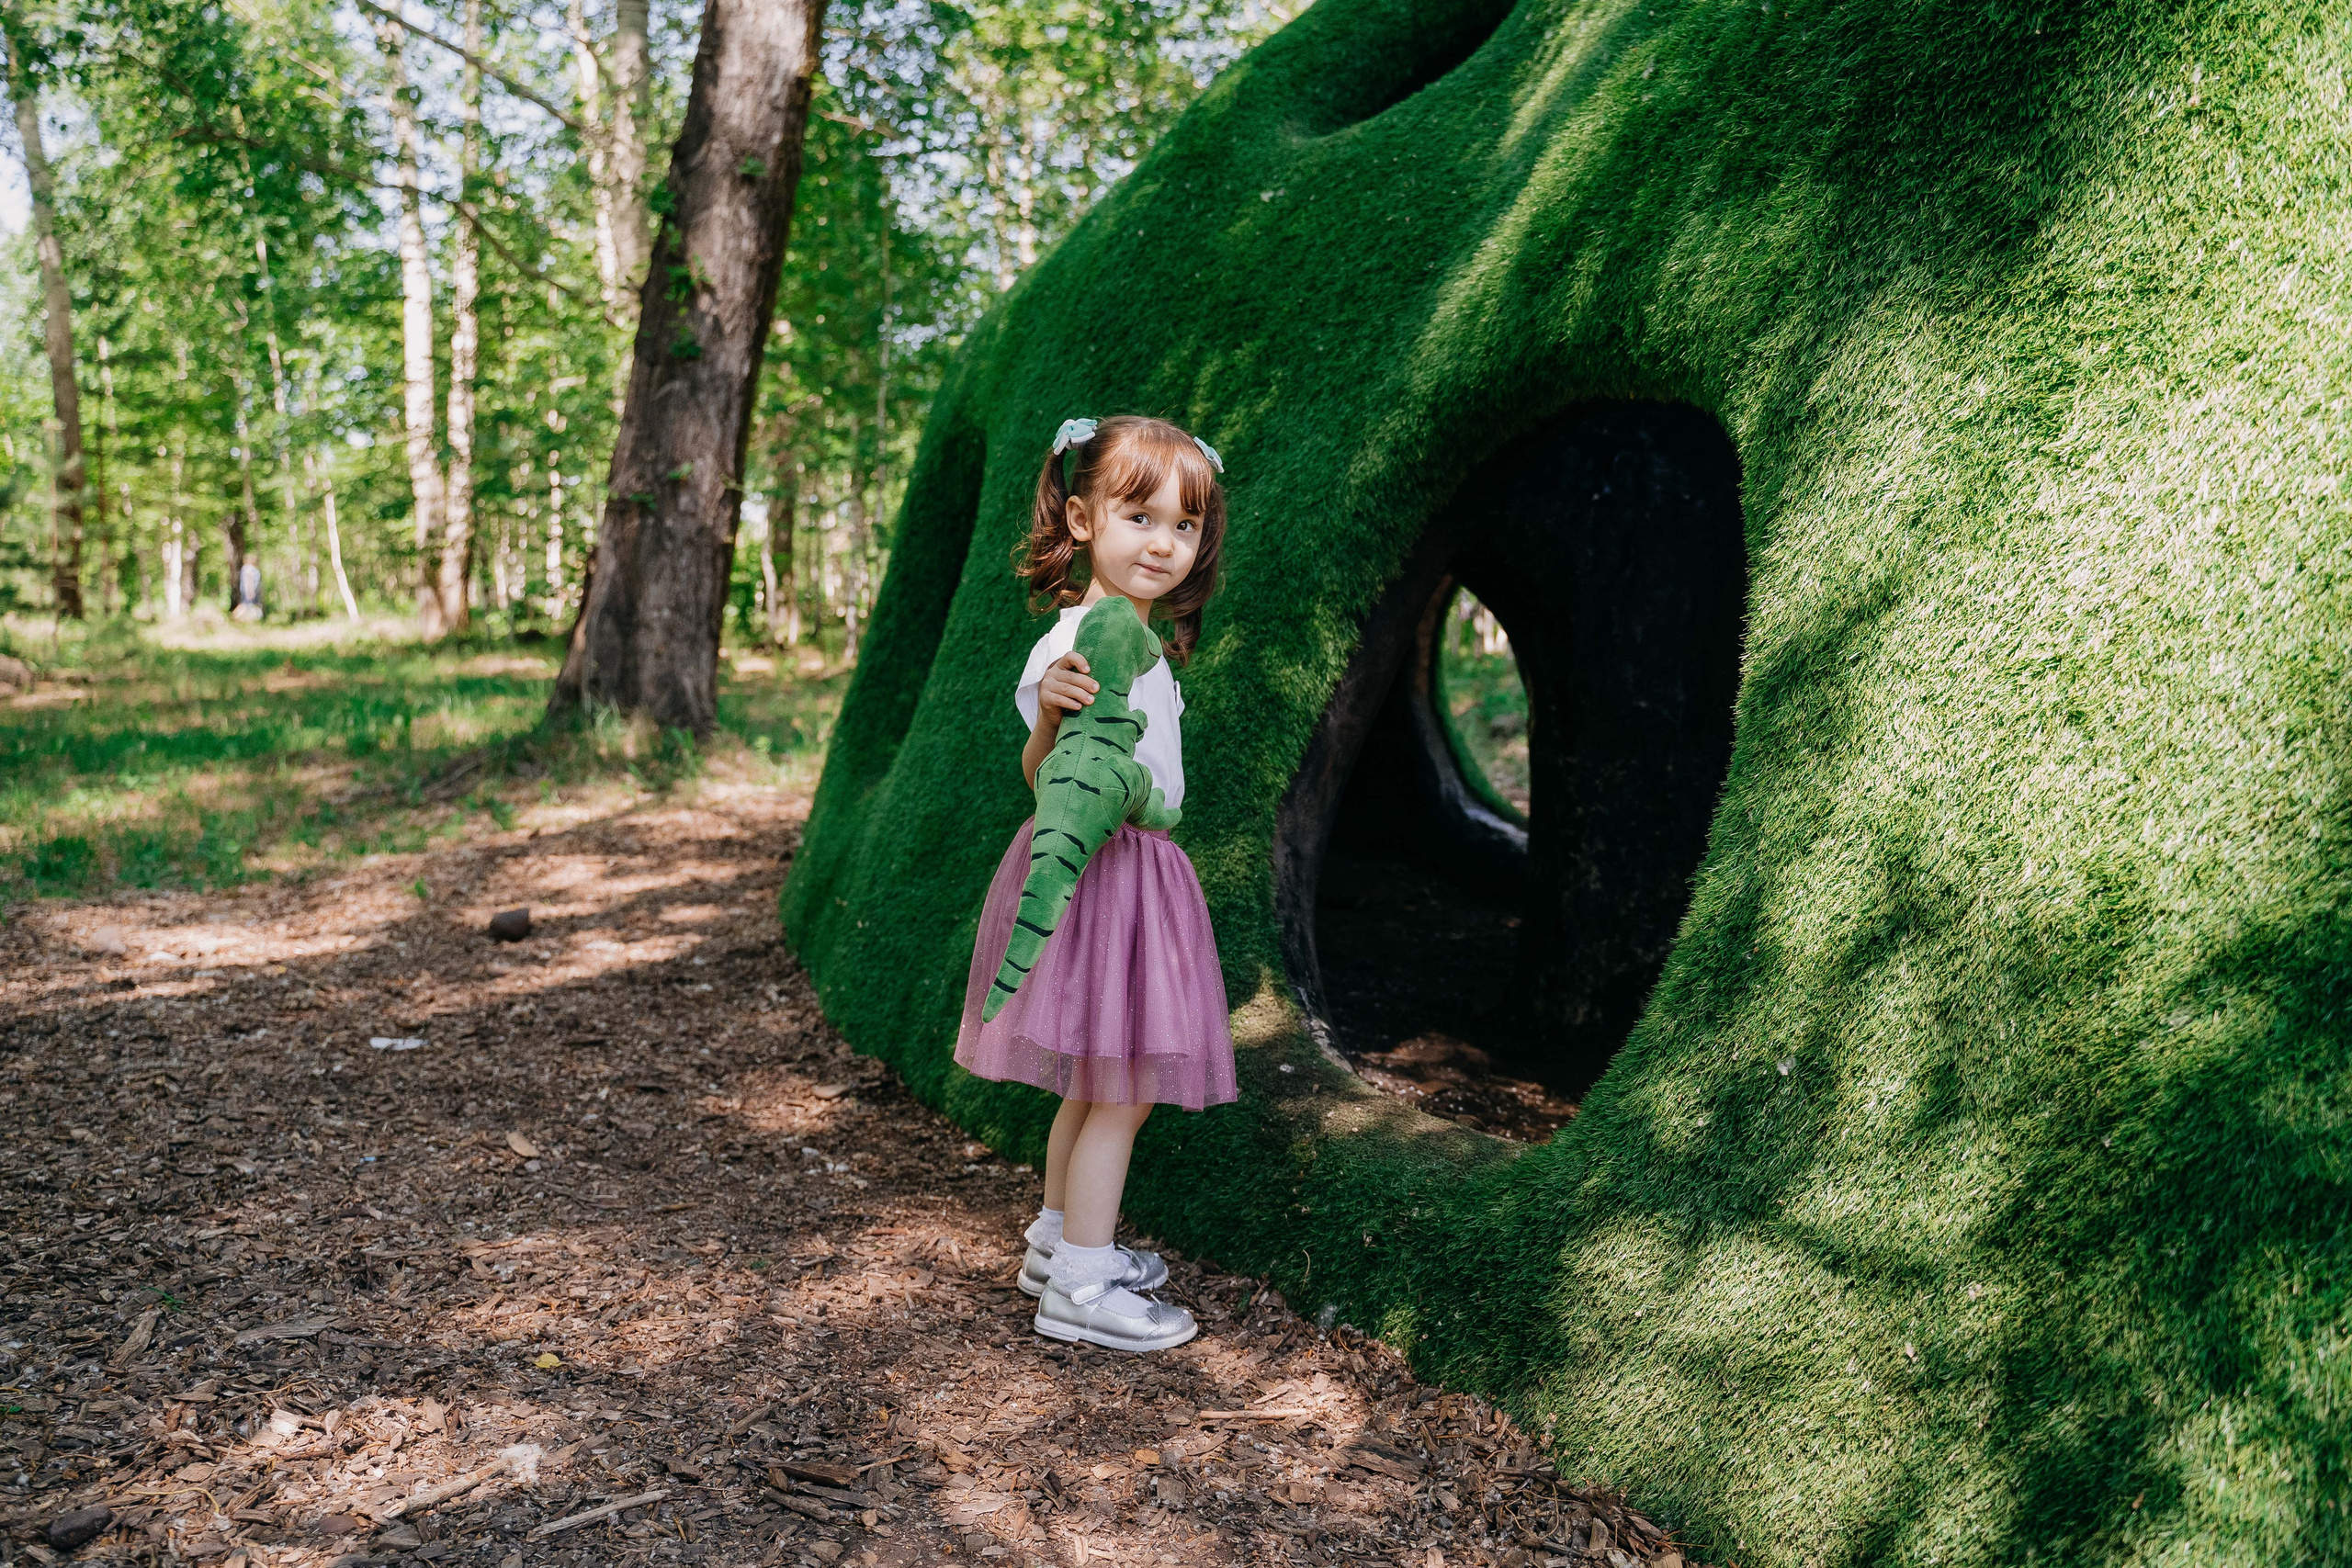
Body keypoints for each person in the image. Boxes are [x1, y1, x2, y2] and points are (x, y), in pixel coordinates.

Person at [952, 413, 1238, 1353]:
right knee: (1124, 1088)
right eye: (1138, 516)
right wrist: (1048, 716)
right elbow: (1045, 773)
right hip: (1106, 876)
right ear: (1081, 521)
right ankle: (1081, 1282)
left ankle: (1056, 1241)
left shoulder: (1138, 639)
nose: (1163, 542)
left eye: (1184, 525)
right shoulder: (1074, 642)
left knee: (1096, 1074)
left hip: (1134, 875)